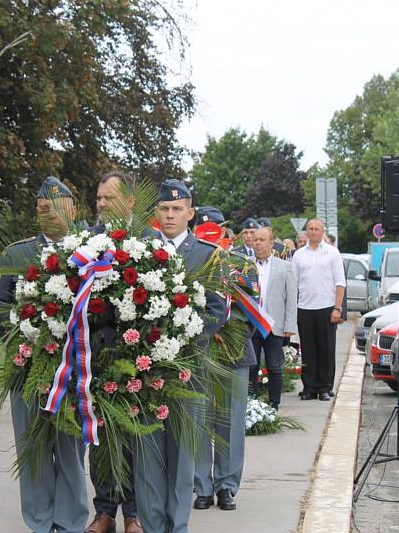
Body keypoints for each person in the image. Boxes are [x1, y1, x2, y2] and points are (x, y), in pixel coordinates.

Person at [0, 176, 88, 533]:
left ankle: (71, 520)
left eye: (58, 207)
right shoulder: (18, 253)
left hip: (76, 368)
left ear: (73, 209)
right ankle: (40, 520)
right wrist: (23, 342)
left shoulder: (91, 249)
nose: (51, 213)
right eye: (44, 208)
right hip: (28, 366)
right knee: (34, 445)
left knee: (72, 447)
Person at [134, 179, 226, 533]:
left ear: (190, 213)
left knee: (182, 452)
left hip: (189, 367)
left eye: (177, 209)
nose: (170, 215)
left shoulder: (206, 254)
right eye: (164, 209)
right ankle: (152, 523)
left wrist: (181, 336)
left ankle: (178, 524)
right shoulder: (139, 250)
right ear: (156, 213)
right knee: (148, 451)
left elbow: (217, 309)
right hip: (144, 368)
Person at [86, 172, 143, 533]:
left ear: (131, 202)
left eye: (109, 198)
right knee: (101, 435)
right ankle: (105, 509)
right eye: (99, 199)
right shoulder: (86, 242)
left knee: (137, 436)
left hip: (141, 356)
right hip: (98, 354)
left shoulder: (150, 241)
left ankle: (134, 512)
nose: (102, 204)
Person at [191, 205, 255, 513]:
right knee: (200, 421)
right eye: (203, 232)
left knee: (230, 422)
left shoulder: (242, 263)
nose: (209, 236)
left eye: (214, 231)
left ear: (224, 230)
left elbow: (256, 309)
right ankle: (202, 486)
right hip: (200, 349)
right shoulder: (188, 262)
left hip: (234, 351)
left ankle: (227, 486)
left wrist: (226, 329)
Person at [292, 219, 345, 402]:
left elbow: (340, 282)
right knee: (308, 350)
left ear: (323, 232)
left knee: (326, 349)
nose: (313, 232)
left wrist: (337, 308)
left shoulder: (332, 253)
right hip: (305, 307)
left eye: (316, 229)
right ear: (307, 232)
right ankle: (309, 387)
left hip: (327, 307)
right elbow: (294, 284)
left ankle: (324, 387)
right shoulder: (298, 255)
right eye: (310, 229)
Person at [248, 227, 298, 410]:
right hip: (251, 324)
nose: (258, 243)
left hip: (273, 325)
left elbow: (291, 298)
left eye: (262, 240)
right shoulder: (246, 265)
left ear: (271, 243)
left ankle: (274, 403)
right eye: (255, 240)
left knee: (274, 366)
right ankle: (251, 403)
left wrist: (290, 325)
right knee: (251, 366)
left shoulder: (285, 267)